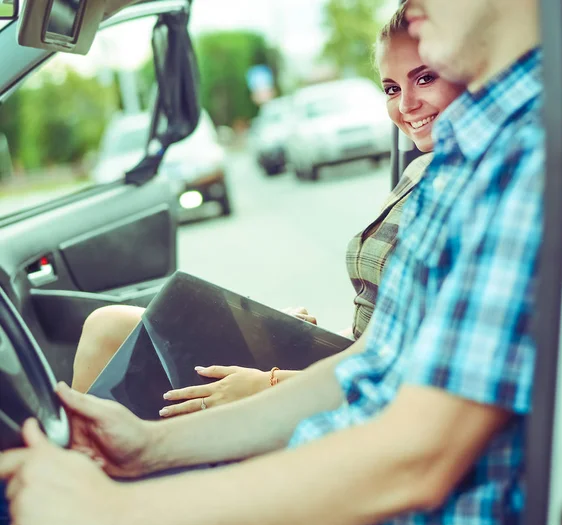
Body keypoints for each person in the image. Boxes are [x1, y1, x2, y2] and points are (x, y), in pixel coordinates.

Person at [0, 0, 544, 525]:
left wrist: (110, 514)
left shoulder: (530, 158)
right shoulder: (471, 152)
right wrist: (149, 447)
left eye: (423, 79)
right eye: (390, 86)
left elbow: (420, 459)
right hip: (357, 503)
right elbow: (368, 360)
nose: (407, 9)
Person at [69, 22, 464, 414]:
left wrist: (266, 383)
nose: (406, 104)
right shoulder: (423, 168)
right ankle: (86, 459)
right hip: (340, 356)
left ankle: (83, 465)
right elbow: (372, 331)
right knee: (108, 326)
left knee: (109, 330)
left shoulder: (472, 192)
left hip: (359, 391)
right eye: (392, 89)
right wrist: (289, 331)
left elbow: (399, 361)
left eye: (425, 78)